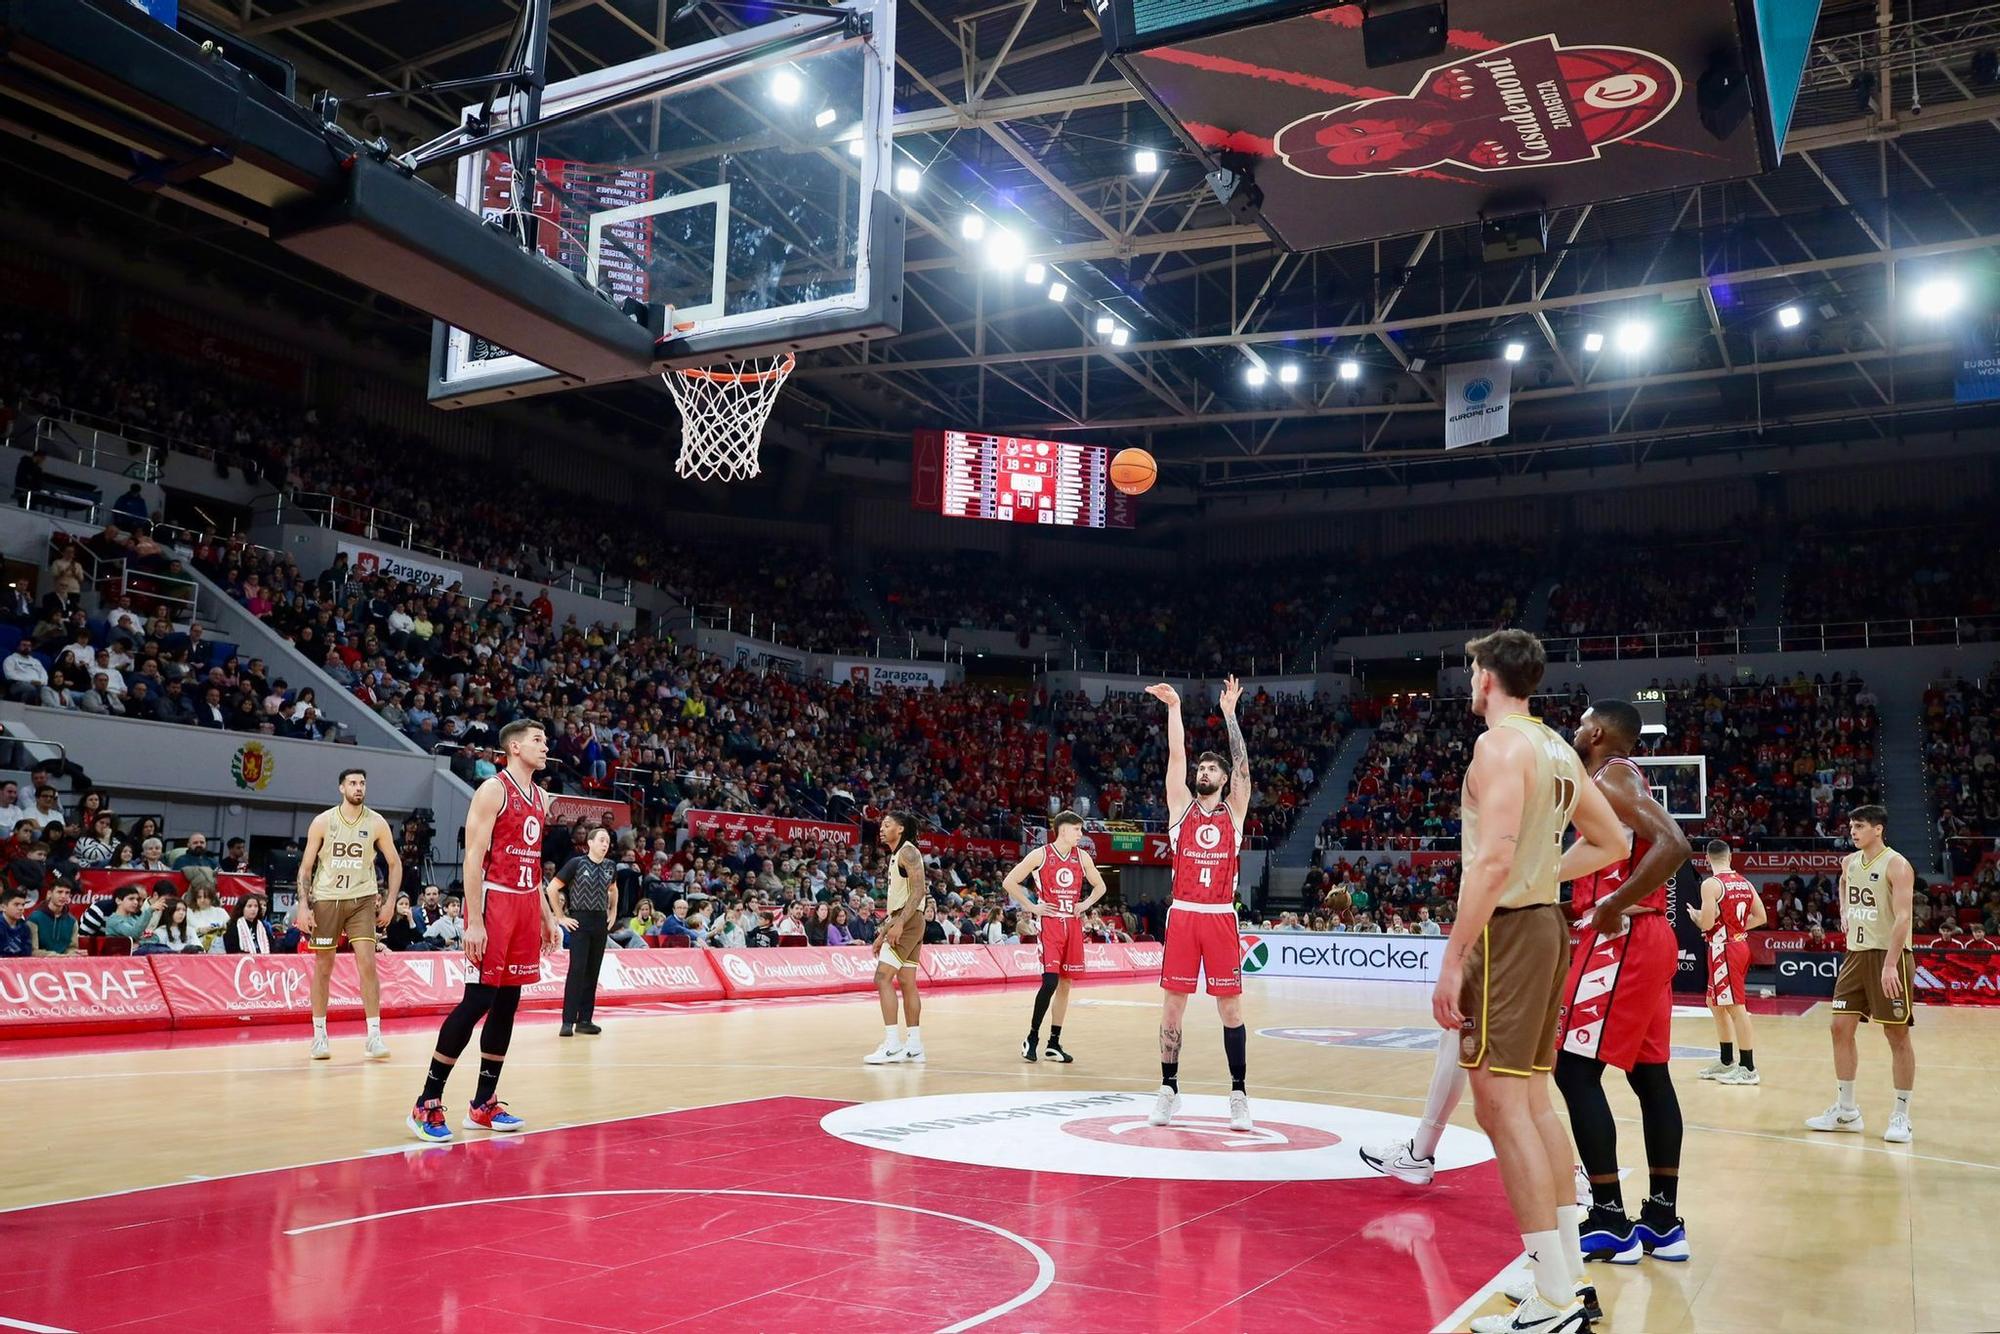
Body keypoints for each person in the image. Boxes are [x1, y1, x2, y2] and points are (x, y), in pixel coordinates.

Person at [1436, 630, 1627, 1334]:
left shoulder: (1499, 746)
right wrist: (1547, 873)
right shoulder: (1556, 747)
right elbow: (1612, 843)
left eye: (1472, 671)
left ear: (1488, 678)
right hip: (1546, 923)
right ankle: (1567, 1275)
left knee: (1500, 1107)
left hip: (1508, 931)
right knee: (1533, 1101)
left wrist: (1453, 958)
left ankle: (1554, 1298)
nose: (1469, 681)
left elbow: (1492, 863)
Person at [1548, 700, 1696, 1271]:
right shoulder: (1616, 781)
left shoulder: (1611, 776)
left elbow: (1675, 844)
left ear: (1598, 732)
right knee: (1650, 1075)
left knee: (1573, 1070)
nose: (1576, 728)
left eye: (1582, 721)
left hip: (1623, 939)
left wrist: (1611, 903)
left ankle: (1610, 1220)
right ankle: (1662, 1220)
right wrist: (1578, 905)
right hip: (1645, 935)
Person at [408, 719, 558, 1143]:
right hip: (495, 902)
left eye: (545, 740)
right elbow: (473, 858)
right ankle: (426, 1101)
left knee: (508, 1002)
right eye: (537, 740)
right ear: (514, 747)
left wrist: (546, 916)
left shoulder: (541, 797)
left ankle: (483, 1103)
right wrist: (474, 920)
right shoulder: (494, 790)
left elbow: (533, 861)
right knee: (478, 999)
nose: (545, 747)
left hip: (526, 903)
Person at [1142, 675, 1255, 1132]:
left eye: (1212, 769)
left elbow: (1243, 768)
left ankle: (1239, 1093)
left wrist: (1230, 715)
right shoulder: (1181, 810)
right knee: (1173, 1008)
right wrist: (1173, 709)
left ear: (1223, 780)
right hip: (1184, 915)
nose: (1203, 772)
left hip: (1221, 917)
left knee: (1231, 1010)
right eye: (1202, 768)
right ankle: (1169, 1088)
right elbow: (1176, 757)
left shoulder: (1234, 811)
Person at [1806, 805, 1917, 1143]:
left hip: (1889, 956)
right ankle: (1846, 1110)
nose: (1852, 832)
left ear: (1878, 829)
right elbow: (1843, 883)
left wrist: (1890, 965)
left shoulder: (1897, 865)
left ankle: (1901, 1115)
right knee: (1839, 1028)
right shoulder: (1849, 862)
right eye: (1851, 826)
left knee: (1896, 1035)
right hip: (1855, 954)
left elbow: (1903, 918)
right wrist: (1843, 909)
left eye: (1859, 826)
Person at [295, 768, 402, 1062]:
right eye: (352, 783)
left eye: (362, 783)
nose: (358, 788)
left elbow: (394, 863)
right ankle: (319, 1036)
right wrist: (303, 905)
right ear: (341, 788)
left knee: (368, 962)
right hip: (327, 898)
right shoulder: (323, 821)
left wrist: (390, 902)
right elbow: (306, 868)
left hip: (362, 898)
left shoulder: (376, 822)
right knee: (324, 966)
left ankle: (374, 1035)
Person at [1001, 811, 1107, 1064]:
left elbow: (1100, 886)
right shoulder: (1040, 854)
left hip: (1072, 924)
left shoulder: (1082, 857)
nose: (1080, 834)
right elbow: (1009, 882)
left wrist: (1085, 904)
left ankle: (1053, 1043)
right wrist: (1032, 906)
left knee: (1065, 984)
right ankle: (1032, 1037)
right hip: (1050, 924)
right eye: (1077, 829)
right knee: (1050, 982)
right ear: (1063, 830)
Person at [1694, 840, 1767, 1086]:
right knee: (1714, 1003)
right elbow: (1761, 916)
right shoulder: (1745, 882)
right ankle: (1726, 1061)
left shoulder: (1711, 884)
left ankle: (1748, 1068)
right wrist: (1735, 929)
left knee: (1736, 1006)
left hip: (1724, 949)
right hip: (1737, 945)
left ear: (1707, 858)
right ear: (1730, 857)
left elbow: (1706, 924)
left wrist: (1696, 917)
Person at [863, 811, 928, 1065]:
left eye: (887, 824)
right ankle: (914, 1045)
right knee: (907, 981)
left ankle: (892, 1045)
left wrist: (900, 923)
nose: (881, 828)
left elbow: (919, 890)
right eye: (881, 825)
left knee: (882, 978)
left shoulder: (908, 852)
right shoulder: (896, 854)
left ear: (900, 829)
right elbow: (900, 900)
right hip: (908, 919)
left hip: (908, 920)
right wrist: (882, 932)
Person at [549, 825, 619, 1037]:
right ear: (590, 843)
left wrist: (613, 911)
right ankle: (568, 1021)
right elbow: (552, 888)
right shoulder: (577, 863)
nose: (605, 844)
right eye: (601, 840)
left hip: (600, 922)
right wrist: (560, 916)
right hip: (580, 920)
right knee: (577, 971)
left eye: (607, 841)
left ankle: (585, 1020)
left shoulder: (610, 866)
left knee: (593, 971)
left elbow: (613, 889)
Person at [0, 887, 33, 957]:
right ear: (3, 907)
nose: (21, 908)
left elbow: (27, 955)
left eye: (23, 905)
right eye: (16, 904)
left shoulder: (25, 928)